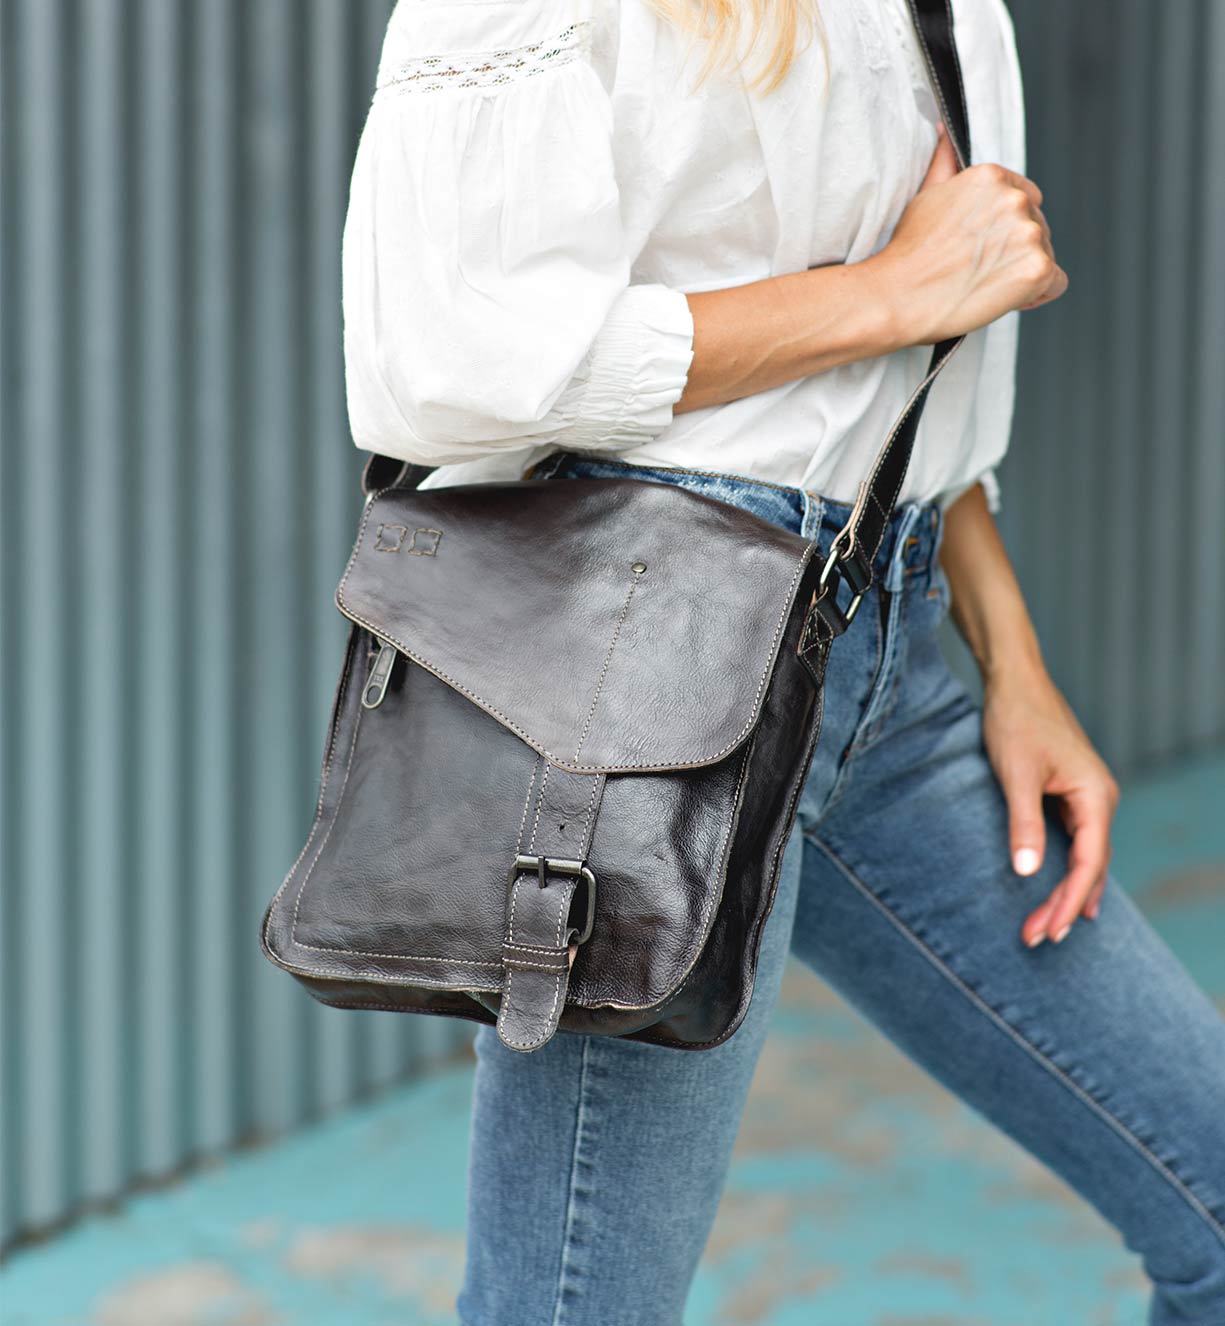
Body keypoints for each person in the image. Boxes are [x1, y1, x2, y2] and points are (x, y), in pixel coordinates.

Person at [339, 1, 1225, 1321]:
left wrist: (1012, 657)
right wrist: (888, 291)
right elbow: (448, 359)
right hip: (644, 709)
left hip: (894, 663)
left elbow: (897, 373)